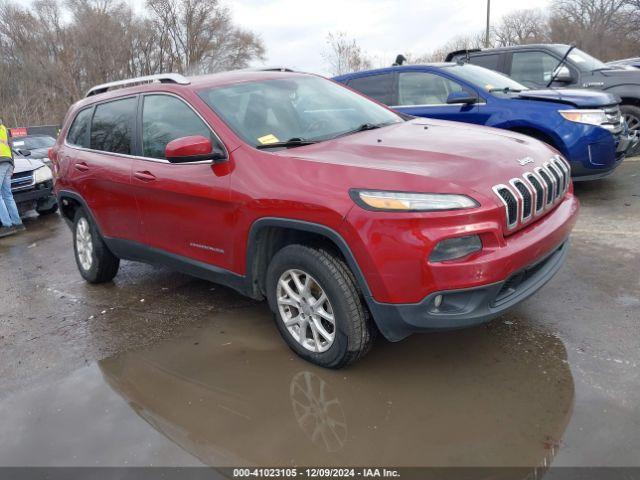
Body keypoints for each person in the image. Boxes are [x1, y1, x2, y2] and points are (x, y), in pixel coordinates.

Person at [0, 119, 25, 238]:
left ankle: (7, 225)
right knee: (7, 195)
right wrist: (12, 164)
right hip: (8, 162)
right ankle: (18, 223)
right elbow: (10, 146)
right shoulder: (4, 128)